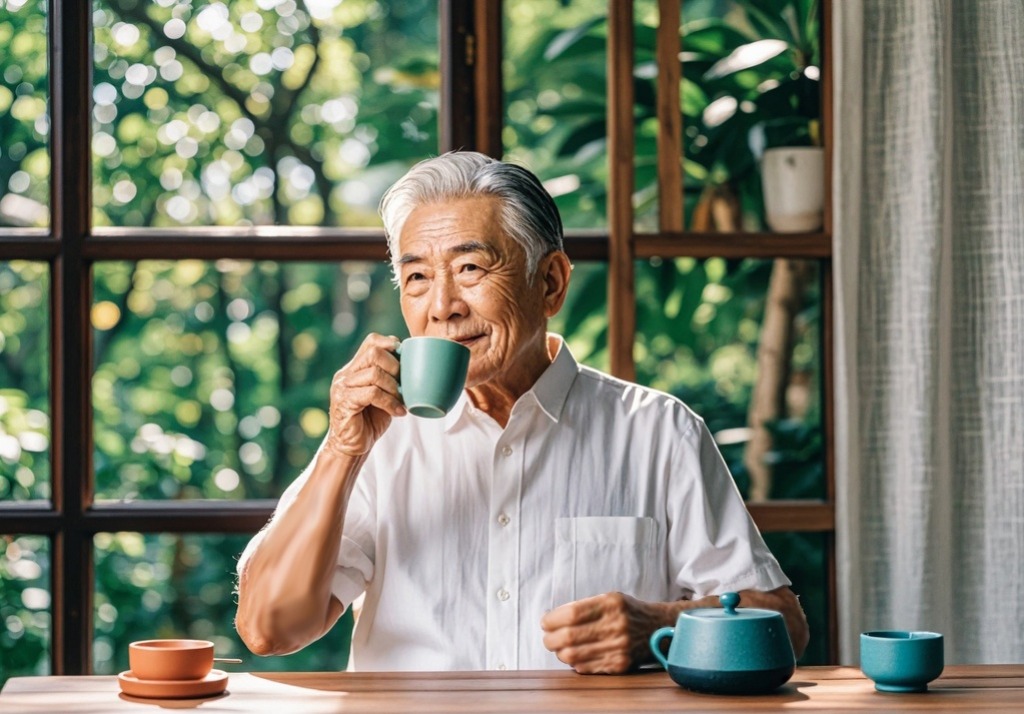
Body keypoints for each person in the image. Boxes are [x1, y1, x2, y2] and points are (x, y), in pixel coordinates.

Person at [235, 151, 809, 673]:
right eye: (416, 278)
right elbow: (269, 629)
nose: (442, 308)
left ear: (551, 283)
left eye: (470, 269)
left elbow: (784, 626)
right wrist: (342, 450)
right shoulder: (375, 436)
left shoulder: (658, 430)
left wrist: (661, 626)